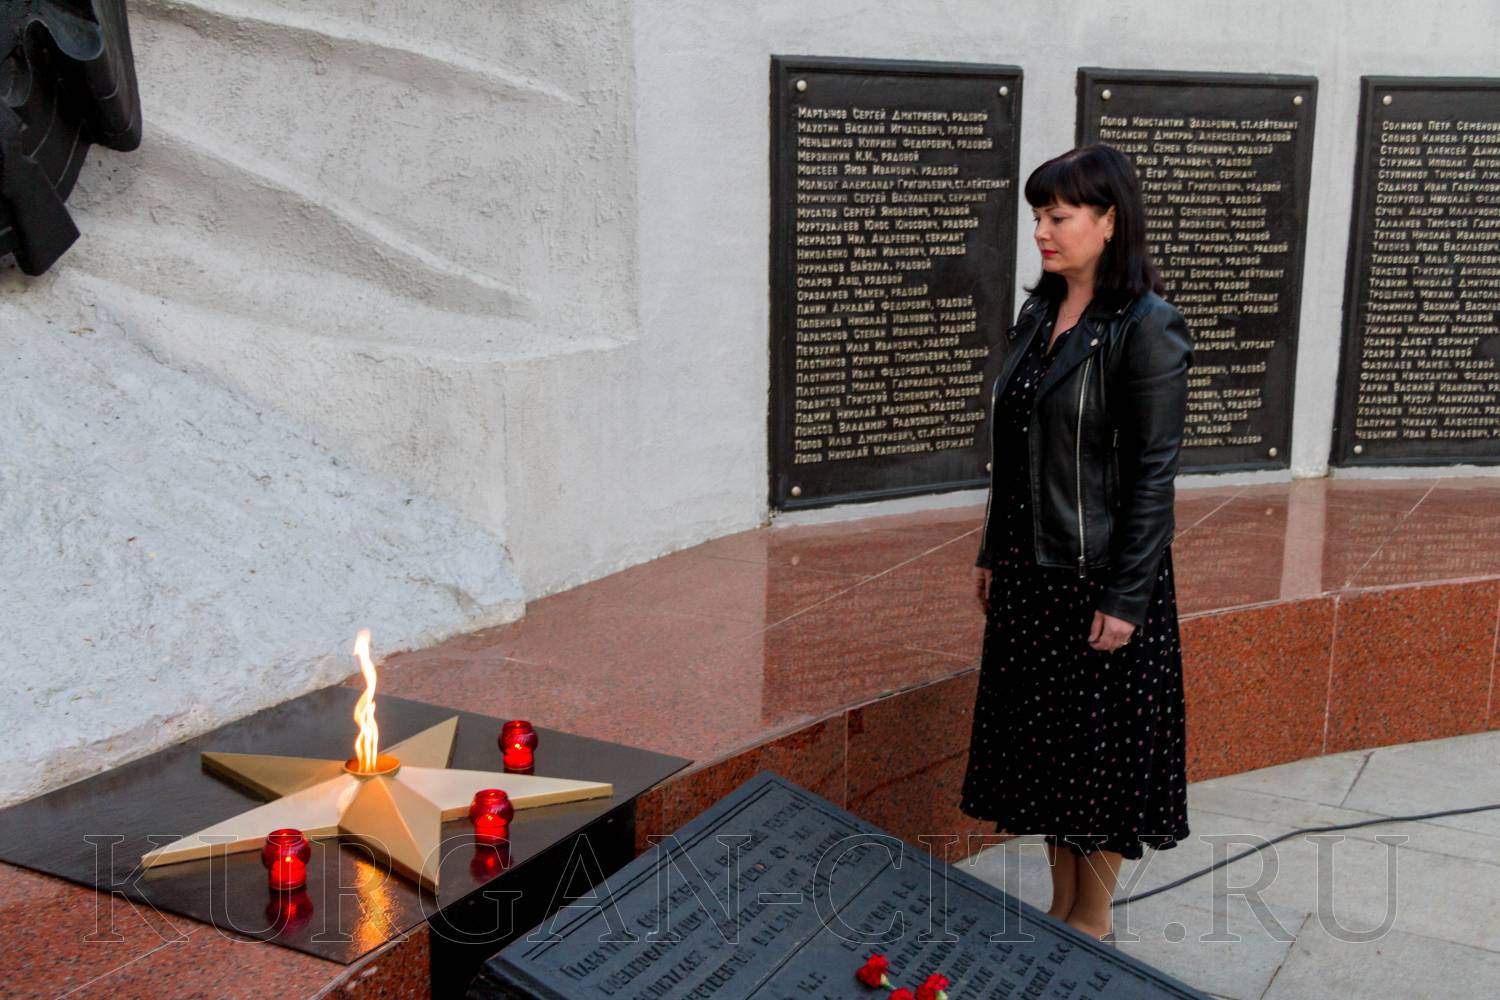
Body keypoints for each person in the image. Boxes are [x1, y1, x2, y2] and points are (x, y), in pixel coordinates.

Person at [958, 143, 1194, 944]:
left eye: (1058, 216)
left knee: (1097, 762)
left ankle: (1090, 926)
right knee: (1056, 758)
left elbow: (1154, 476)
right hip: (1031, 571)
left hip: (1099, 580)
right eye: (1037, 216)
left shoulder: (1147, 326)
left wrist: (1126, 598)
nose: (1041, 232)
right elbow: (1018, 449)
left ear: (1109, 221)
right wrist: (992, 550)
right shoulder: (1039, 315)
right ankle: (1062, 914)